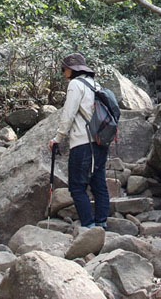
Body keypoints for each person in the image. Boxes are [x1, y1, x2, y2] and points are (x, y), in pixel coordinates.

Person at [47, 53, 110, 228]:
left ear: (71, 69)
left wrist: (58, 138)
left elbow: (69, 114)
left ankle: (89, 226)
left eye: (64, 68)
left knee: (76, 187)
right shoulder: (95, 84)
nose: (63, 71)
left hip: (83, 143)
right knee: (99, 184)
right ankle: (102, 224)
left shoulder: (75, 84)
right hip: (100, 142)